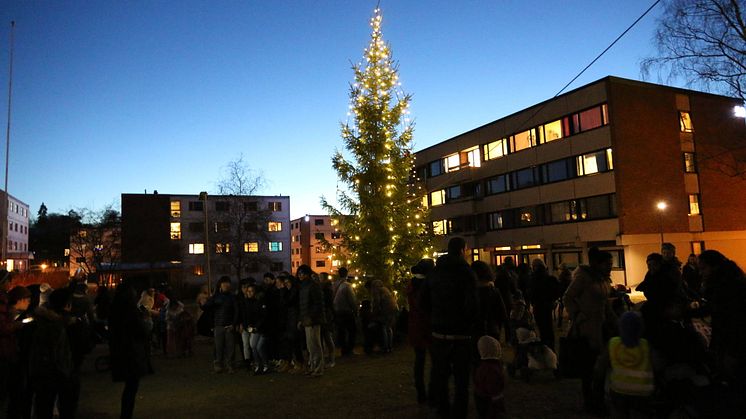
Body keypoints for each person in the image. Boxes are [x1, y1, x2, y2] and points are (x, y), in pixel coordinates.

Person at [422, 237, 479, 419]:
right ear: (462, 250)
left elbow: (422, 301)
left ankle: (443, 408)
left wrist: (434, 316)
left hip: (439, 332)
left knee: (441, 374)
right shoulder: (466, 273)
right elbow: (473, 304)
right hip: (461, 334)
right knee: (461, 378)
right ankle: (459, 411)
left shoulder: (435, 273)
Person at [563, 247, 617, 414]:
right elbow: (568, 296)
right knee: (589, 366)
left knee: (601, 365)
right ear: (598, 264)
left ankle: (598, 399)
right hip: (587, 327)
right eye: (607, 264)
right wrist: (577, 315)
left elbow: (605, 302)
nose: (610, 267)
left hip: (602, 325)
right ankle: (591, 402)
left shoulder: (602, 279)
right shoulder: (584, 278)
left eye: (611, 264)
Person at [697, 250, 746, 391]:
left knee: (733, 375)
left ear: (715, 267)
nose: (701, 273)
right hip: (731, 338)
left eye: (703, 268)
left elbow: (722, 313)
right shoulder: (728, 282)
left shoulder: (726, 287)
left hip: (733, 339)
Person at [29, 288, 75, 419]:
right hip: (54, 372)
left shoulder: (41, 320)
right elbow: (57, 352)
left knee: (43, 406)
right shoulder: (56, 325)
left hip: (42, 372)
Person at [598, 311, 654, 419]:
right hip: (643, 390)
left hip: (619, 388)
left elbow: (601, 367)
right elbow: (657, 364)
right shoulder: (645, 345)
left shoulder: (613, 343)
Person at [109, 282, 153, 419]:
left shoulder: (115, 310)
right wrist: (146, 322)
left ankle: (126, 414)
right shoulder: (131, 311)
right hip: (132, 353)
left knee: (130, 387)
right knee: (131, 387)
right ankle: (126, 414)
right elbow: (141, 331)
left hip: (120, 352)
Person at [407, 259, 434, 404]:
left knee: (419, 361)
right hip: (429, 325)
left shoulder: (412, 284)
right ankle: (432, 391)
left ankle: (421, 393)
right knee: (436, 361)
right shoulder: (428, 285)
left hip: (415, 325)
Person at [5, 286, 33, 419]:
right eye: (27, 299)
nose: (29, 302)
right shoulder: (12, 318)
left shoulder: (11, 316)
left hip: (13, 359)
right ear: (20, 300)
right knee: (17, 393)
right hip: (13, 359)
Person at [201, 276, 238, 373]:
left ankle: (230, 365)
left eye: (228, 283)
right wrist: (203, 303)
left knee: (230, 348)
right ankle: (218, 365)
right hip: (218, 325)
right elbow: (206, 308)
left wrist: (233, 324)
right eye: (224, 283)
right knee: (218, 347)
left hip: (229, 325)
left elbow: (236, 311)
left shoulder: (232, 297)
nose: (226, 285)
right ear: (220, 285)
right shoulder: (215, 297)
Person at [297, 265, 325, 377]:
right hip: (307, 319)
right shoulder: (304, 286)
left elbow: (317, 304)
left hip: (313, 320)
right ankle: (313, 367)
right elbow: (303, 305)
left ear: (307, 274)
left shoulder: (312, 286)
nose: (300, 275)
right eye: (299, 273)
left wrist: (311, 317)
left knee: (315, 345)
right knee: (310, 346)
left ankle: (318, 368)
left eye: (302, 273)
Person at [530, 259, 561, 351]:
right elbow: (558, 291)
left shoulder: (533, 278)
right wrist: (552, 300)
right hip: (547, 305)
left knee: (542, 329)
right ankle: (551, 349)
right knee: (549, 327)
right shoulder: (550, 278)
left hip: (538, 306)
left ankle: (545, 348)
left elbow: (531, 293)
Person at [473, 335, 506, 419]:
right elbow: (492, 388)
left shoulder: (483, 366)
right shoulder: (491, 369)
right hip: (488, 399)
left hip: (482, 397)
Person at [333, 267, 357, 357]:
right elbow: (352, 300)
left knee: (341, 331)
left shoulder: (335, 284)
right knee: (352, 330)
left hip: (337, 311)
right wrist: (355, 310)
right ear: (346, 274)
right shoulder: (347, 285)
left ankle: (343, 349)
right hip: (346, 311)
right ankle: (349, 349)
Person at [370, 279, 398, 353]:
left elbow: (377, 302)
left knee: (384, 327)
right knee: (389, 328)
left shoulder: (377, 290)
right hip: (392, 310)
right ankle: (390, 346)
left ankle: (385, 347)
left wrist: (374, 313)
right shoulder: (386, 290)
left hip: (385, 311)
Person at [556, 263, 573, 328]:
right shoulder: (569, 275)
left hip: (563, 294)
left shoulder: (561, 276)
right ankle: (570, 321)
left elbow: (560, 286)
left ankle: (560, 323)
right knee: (569, 308)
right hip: (569, 294)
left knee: (561, 308)